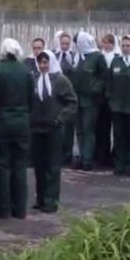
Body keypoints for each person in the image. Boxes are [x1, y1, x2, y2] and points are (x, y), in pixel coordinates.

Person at [29, 51, 78, 212]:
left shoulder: (60, 81)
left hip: (54, 129)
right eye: (40, 63)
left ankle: (51, 200)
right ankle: (41, 198)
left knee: (52, 165)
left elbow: (71, 102)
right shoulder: (34, 79)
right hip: (37, 129)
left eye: (46, 62)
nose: (43, 66)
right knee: (39, 165)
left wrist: (60, 118)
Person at [0, 39, 31, 219]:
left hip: (2, 122)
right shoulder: (25, 70)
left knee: (2, 165)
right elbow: (31, 97)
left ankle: (3, 208)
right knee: (20, 165)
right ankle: (20, 209)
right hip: (22, 122)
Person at [107, 36, 130, 176]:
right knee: (119, 137)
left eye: (128, 45)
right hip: (117, 108)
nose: (125, 48)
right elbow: (109, 82)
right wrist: (111, 101)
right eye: (123, 45)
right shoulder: (116, 61)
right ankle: (119, 164)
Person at [70, 31, 107, 171]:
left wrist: (95, 88)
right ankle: (81, 154)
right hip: (77, 98)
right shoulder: (78, 57)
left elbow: (105, 76)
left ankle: (88, 159)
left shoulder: (97, 57)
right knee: (79, 129)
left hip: (91, 100)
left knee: (88, 129)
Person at [54, 30, 77, 165]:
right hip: (57, 97)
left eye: (67, 43)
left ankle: (67, 155)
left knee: (69, 127)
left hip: (69, 95)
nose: (64, 46)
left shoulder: (75, 57)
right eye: (62, 43)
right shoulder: (55, 56)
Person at [96, 33, 118, 168]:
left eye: (110, 42)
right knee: (102, 129)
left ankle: (113, 156)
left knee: (116, 129)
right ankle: (102, 155)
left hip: (114, 98)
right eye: (105, 42)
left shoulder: (117, 57)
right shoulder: (100, 57)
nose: (107, 45)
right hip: (101, 98)